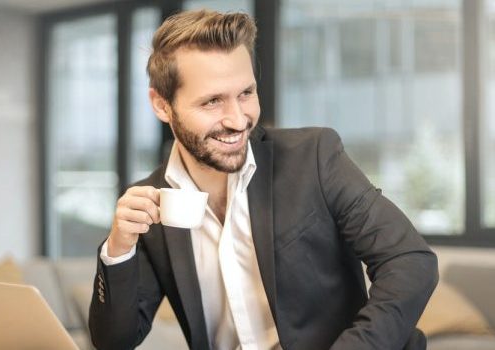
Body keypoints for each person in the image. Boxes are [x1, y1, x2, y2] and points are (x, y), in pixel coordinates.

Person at [89, 9, 438, 350]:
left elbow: (409, 260)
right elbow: (114, 342)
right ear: (162, 105)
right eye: (212, 102)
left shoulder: (314, 156)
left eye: (246, 93)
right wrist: (118, 249)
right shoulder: (151, 203)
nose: (239, 119)